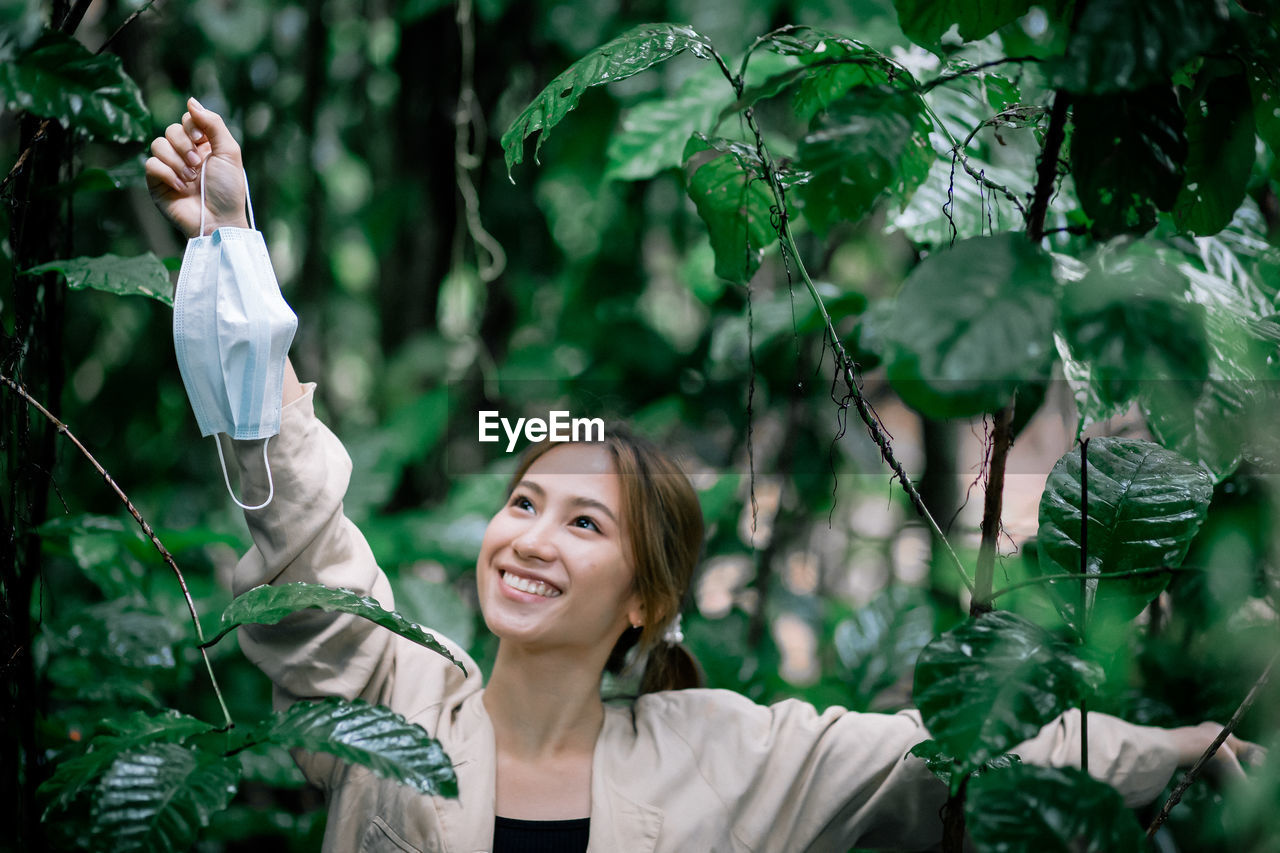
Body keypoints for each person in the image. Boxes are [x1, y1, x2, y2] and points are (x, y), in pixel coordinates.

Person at [147, 98, 1265, 853]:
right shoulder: (393, 695)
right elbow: (295, 519)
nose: (530, 536)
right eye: (523, 502)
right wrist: (231, 249)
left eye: (584, 522)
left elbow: (945, 759)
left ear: (644, 597)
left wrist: (1175, 747)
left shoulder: (728, 756)